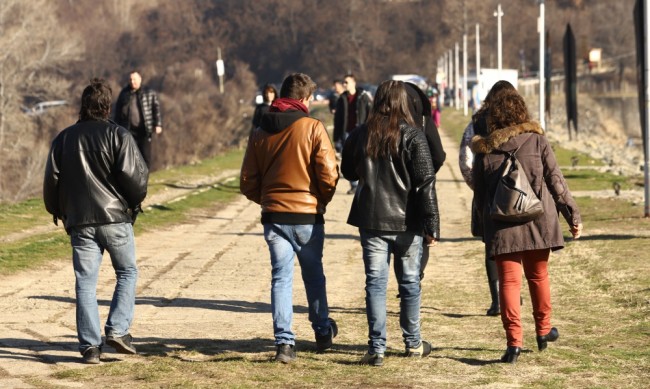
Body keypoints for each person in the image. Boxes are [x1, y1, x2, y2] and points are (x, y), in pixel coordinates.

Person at [470, 86, 583, 363]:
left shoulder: (485, 149)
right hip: (538, 219)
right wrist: (572, 216)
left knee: (508, 282)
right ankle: (544, 331)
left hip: (502, 223)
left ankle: (513, 344)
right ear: (522, 111)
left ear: (493, 116)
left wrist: (480, 227)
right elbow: (556, 181)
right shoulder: (537, 141)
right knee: (538, 276)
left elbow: (480, 195)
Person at [43, 78, 149, 364]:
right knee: (127, 272)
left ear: (83, 105)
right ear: (107, 106)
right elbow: (136, 180)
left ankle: (90, 347)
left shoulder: (64, 139)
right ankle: (117, 329)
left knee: (85, 284)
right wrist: (133, 204)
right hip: (115, 219)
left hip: (79, 222)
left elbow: (52, 181)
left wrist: (58, 211)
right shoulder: (119, 136)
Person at [240, 73, 340, 364]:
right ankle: (322, 332)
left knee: (280, 278)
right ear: (303, 99)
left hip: (274, 216)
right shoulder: (313, 128)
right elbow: (329, 173)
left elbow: (248, 180)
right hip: (307, 215)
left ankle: (284, 344)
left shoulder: (260, 131)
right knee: (313, 275)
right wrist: (321, 199)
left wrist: (268, 199)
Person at [341, 80, 439, 367]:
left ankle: (377, 348)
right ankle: (413, 343)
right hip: (408, 223)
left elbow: (348, 170)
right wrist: (431, 223)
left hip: (371, 220)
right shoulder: (413, 136)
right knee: (409, 284)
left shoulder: (360, 135)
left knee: (375, 283)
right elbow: (425, 184)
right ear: (403, 103)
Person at [459, 80, 517, 316]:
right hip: (518, 192)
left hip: (488, 192)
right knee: (518, 244)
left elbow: (465, 159)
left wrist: (476, 185)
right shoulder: (521, 122)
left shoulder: (476, 122)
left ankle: (497, 300)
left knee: (491, 246)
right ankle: (513, 293)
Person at [404, 82, 446, 280]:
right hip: (418, 186)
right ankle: (414, 276)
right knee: (421, 235)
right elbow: (438, 154)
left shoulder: (379, 122)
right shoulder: (422, 120)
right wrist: (427, 172)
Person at [333, 73, 373, 194]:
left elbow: (370, 114)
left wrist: (370, 130)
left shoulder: (363, 97)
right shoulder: (342, 98)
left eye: (347, 82)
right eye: (344, 82)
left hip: (361, 131)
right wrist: (336, 136)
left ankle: (365, 183)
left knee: (363, 157)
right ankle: (354, 185)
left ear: (353, 83)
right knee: (350, 158)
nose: (345, 84)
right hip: (347, 133)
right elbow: (338, 119)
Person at [114, 70, 163, 167]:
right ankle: (134, 180)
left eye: (134, 79)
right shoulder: (124, 94)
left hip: (145, 130)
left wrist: (158, 124)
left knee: (145, 157)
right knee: (130, 157)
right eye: (130, 79)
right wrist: (116, 128)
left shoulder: (149, 93)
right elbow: (117, 112)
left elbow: (156, 109)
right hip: (129, 131)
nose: (132, 81)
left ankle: (144, 181)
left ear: (140, 79)